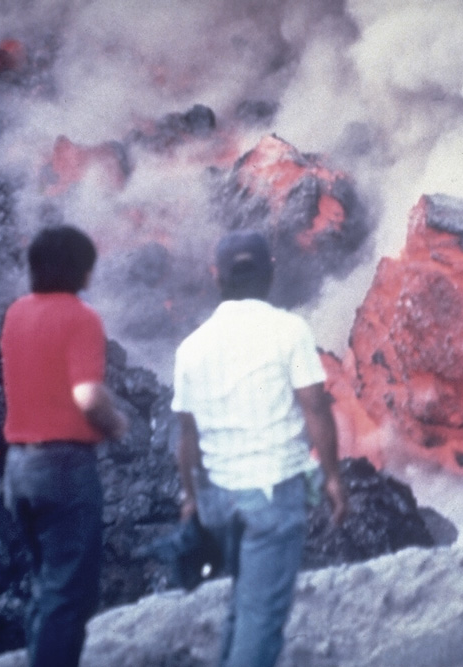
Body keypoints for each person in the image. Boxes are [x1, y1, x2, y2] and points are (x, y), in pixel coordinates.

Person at [172, 230, 347, 667]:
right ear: (271, 272)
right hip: (271, 493)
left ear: (217, 277)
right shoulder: (289, 330)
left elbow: (187, 437)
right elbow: (316, 409)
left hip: (218, 502)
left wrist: (191, 499)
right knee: (263, 620)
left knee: (244, 604)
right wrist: (332, 477)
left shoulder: (191, 349)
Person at [0, 224, 128, 667]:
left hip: (18, 469)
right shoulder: (80, 317)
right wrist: (115, 424)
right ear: (80, 270)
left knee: (46, 582)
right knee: (69, 595)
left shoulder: (16, 313)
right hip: (63, 468)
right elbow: (87, 395)